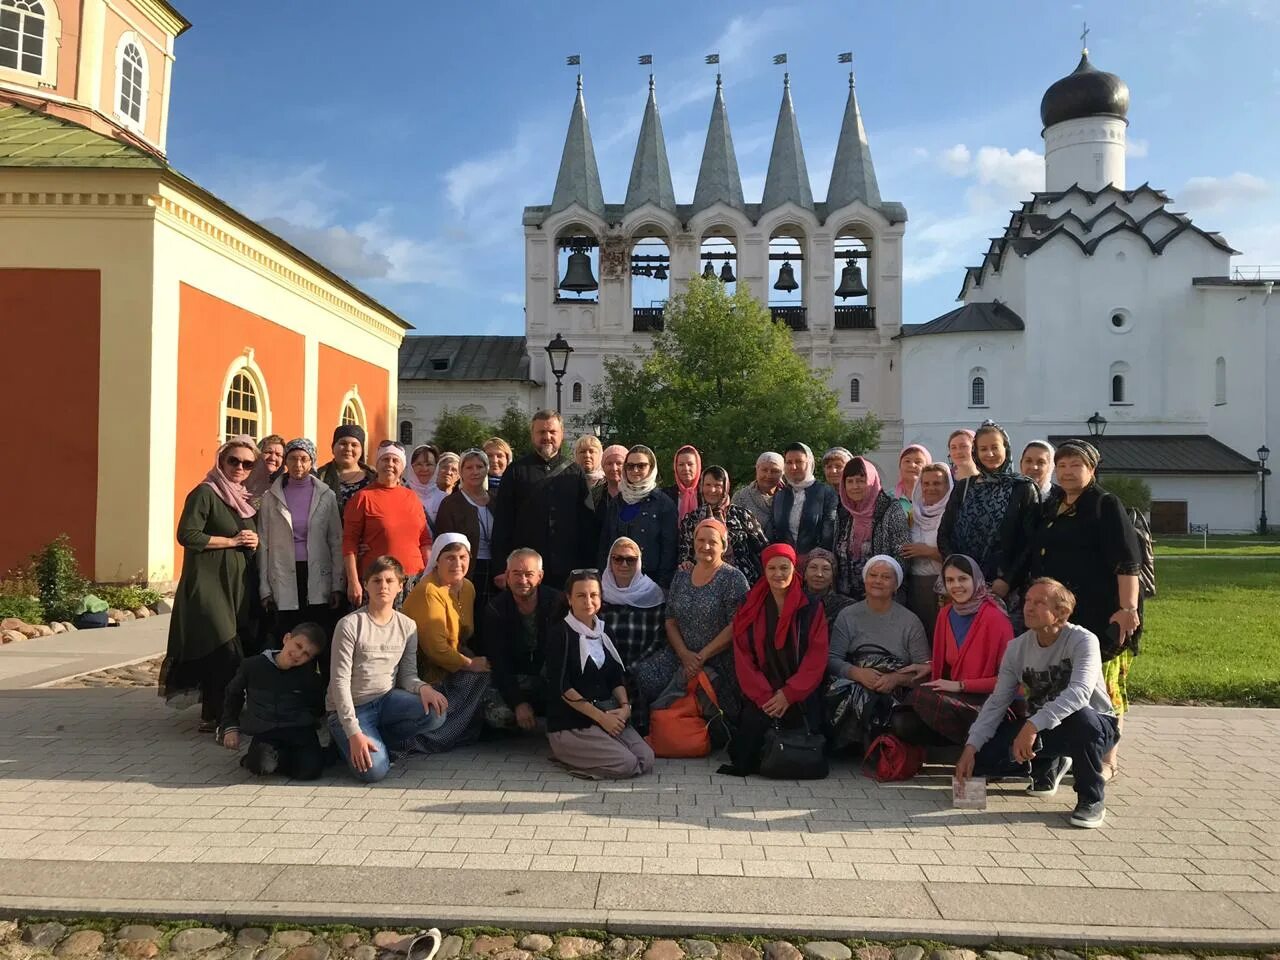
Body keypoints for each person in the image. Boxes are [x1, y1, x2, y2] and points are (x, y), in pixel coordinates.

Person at [1009, 439, 1142, 782]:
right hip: (1059, 614)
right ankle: (1066, 751)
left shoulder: (1105, 505)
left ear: (1092, 470)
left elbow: (1128, 562)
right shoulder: (1054, 505)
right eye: (1063, 465)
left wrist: (1127, 608)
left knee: (1105, 686)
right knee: (1060, 683)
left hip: (1103, 614)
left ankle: (1107, 759)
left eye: (1076, 465)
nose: (1067, 472)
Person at [956, 578, 1118, 829]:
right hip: (1041, 728)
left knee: (1081, 719)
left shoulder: (1084, 641)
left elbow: (1079, 694)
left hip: (1094, 727)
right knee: (984, 754)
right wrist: (971, 746)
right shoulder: (1016, 648)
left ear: (1061, 612)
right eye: (1027, 601)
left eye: (1039, 602)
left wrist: (1031, 727)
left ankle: (1091, 799)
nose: (1028, 608)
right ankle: (1048, 762)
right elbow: (997, 702)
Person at [160, 437, 260, 734]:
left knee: (230, 646)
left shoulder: (243, 498)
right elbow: (188, 534)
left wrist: (254, 541)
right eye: (234, 461)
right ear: (221, 461)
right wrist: (230, 541)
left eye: (247, 463)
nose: (240, 468)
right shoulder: (205, 493)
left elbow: (248, 536)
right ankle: (216, 715)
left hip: (235, 586)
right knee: (222, 645)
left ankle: (217, 712)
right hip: (208, 585)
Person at [326, 555, 449, 783]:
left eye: (390, 581)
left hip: (386, 701)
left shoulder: (407, 626)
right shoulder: (350, 625)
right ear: (366, 585)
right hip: (352, 708)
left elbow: (407, 675)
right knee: (374, 772)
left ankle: (376, 741)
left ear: (400, 586)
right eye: (377, 580)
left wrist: (423, 688)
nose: (383, 586)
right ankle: (348, 739)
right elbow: (339, 682)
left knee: (436, 712)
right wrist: (353, 732)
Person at [720, 543, 830, 777]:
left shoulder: (811, 607)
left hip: (799, 692)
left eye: (784, 568)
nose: (778, 574)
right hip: (763, 691)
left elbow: (816, 658)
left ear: (794, 569)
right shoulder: (750, 604)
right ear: (764, 570)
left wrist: (789, 694)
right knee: (749, 739)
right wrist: (766, 696)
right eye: (772, 568)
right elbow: (743, 653)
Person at [892, 554, 1014, 746]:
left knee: (919, 698)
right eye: (950, 580)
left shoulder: (996, 619)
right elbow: (951, 663)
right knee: (903, 718)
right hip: (957, 701)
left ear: (976, 580)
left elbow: (1009, 681)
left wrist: (961, 686)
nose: (956, 585)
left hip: (988, 703)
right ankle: (967, 747)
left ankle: (980, 748)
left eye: (963, 579)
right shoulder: (946, 614)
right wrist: (929, 666)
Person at [633, 518, 750, 719]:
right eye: (700, 540)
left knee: (712, 704)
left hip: (717, 659)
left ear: (723, 546)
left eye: (712, 542)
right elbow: (670, 619)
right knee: (642, 675)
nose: (705, 546)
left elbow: (736, 625)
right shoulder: (682, 575)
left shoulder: (734, 579)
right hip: (680, 654)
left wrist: (700, 657)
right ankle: (656, 728)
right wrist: (684, 654)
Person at [544, 569, 655, 778]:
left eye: (593, 595)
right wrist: (601, 718)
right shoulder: (560, 634)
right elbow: (562, 687)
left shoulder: (605, 631)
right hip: (572, 723)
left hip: (607, 714)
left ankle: (597, 753)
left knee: (646, 759)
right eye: (581, 595)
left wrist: (624, 708)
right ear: (569, 599)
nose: (588, 601)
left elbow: (615, 676)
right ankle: (567, 756)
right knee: (626, 765)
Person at [825, 556, 931, 750]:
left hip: (896, 693)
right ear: (865, 580)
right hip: (854, 686)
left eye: (885, 577)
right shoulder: (848, 615)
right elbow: (832, 660)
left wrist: (896, 679)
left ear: (896, 584)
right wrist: (858, 674)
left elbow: (925, 670)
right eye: (873, 575)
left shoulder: (910, 621)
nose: (878, 581)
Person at [400, 534, 490, 753]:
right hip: (426, 669)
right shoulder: (428, 591)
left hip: (452, 660)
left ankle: (457, 732)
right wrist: (470, 663)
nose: (457, 564)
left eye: (462, 557)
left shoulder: (467, 587)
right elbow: (435, 648)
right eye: (450, 557)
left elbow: (463, 634)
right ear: (437, 561)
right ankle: (431, 738)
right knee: (476, 676)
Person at [257, 438, 344, 663]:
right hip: (284, 573)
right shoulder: (271, 497)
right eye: (293, 458)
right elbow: (264, 543)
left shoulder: (326, 496)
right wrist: (264, 587)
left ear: (312, 461)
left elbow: (336, 541)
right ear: (285, 461)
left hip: (316, 574)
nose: (298, 464)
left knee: (317, 634)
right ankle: (286, 686)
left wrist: (337, 584)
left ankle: (316, 688)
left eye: (304, 459)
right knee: (287, 632)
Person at [490, 410, 596, 589]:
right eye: (541, 432)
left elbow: (586, 523)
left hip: (567, 568)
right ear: (533, 435)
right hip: (526, 572)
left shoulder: (575, 472)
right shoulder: (515, 471)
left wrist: (589, 568)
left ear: (561, 434)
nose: (547, 437)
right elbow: (503, 522)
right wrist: (501, 567)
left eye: (552, 432)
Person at [938, 421, 1038, 589]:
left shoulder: (1023, 488)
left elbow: (1030, 542)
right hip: (963, 583)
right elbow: (944, 534)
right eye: (983, 449)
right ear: (975, 453)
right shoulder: (965, 486)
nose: (989, 454)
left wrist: (1008, 579)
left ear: (1006, 448)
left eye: (995, 447)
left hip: (1003, 586)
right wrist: (958, 571)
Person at [220, 623, 327, 780]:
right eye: (298, 646)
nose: (298, 654)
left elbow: (317, 706)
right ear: (286, 638)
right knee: (261, 765)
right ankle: (259, 758)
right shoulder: (253, 666)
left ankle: (293, 757)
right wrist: (230, 726)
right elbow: (233, 694)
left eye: (306, 654)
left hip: (299, 731)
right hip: (266, 732)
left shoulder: (309, 676)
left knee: (310, 772)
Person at [342, 441, 432, 607]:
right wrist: (353, 581)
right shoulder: (363, 497)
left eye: (395, 460)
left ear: (402, 467)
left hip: (413, 579)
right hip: (378, 581)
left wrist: (430, 573)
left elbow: (424, 540)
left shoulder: (412, 497)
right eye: (385, 459)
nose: (390, 464)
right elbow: (349, 542)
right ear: (377, 464)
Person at [484, 548, 563, 732]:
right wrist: (518, 702)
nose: (522, 580)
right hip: (517, 677)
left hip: (549, 678)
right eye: (516, 574)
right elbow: (499, 661)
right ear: (507, 576)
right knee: (499, 717)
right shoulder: (495, 610)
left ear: (540, 576)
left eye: (529, 574)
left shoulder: (558, 603)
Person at [596, 445, 677, 589]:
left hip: (650, 583)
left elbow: (669, 550)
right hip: (616, 583)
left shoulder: (663, 504)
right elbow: (605, 543)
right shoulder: (617, 502)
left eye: (641, 466)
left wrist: (662, 586)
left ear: (651, 468)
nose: (635, 470)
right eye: (630, 466)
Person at [833, 457, 910, 601]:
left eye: (861, 481)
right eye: (850, 481)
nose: (855, 486)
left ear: (872, 480)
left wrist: (882, 588)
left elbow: (902, 555)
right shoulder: (843, 511)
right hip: (844, 596)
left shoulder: (890, 509)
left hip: (882, 596)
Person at [677, 465, 769, 583]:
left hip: (744, 583)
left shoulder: (741, 516)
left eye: (718, 485)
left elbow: (763, 549)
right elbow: (685, 556)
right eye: (708, 485)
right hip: (704, 585)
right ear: (701, 487)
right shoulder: (691, 520)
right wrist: (686, 563)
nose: (712, 490)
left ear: (725, 487)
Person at [434, 448, 495, 618]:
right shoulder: (451, 503)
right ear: (461, 471)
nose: (475, 471)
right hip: (466, 569)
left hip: (495, 569)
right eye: (469, 467)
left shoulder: (496, 501)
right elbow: (444, 541)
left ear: (486, 469)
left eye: (479, 466)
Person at [901, 463, 954, 639]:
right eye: (926, 483)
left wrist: (929, 552)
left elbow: (959, 557)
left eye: (937, 483)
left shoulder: (953, 515)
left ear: (948, 486)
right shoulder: (913, 515)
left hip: (945, 589)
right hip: (915, 587)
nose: (931, 488)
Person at [600, 537, 667, 670]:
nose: (624, 564)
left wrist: (633, 669)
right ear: (610, 562)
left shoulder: (653, 593)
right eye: (618, 559)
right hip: (604, 673)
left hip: (644, 673)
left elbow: (659, 641)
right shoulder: (599, 594)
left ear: (639, 563)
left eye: (631, 560)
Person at [771, 443, 838, 556]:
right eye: (789, 462)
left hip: (816, 563)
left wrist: (811, 558)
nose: (793, 467)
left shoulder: (826, 492)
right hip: (785, 563)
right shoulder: (780, 496)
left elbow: (829, 535)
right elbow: (775, 533)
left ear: (810, 463)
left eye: (799, 462)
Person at [318, 425, 376, 517]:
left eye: (354, 445)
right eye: (343, 444)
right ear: (333, 447)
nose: (348, 449)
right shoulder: (319, 477)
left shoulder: (374, 479)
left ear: (361, 450)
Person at [732, 452, 784, 539]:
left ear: (782, 473)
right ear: (757, 469)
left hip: (782, 551)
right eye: (764, 470)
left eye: (774, 471)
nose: (768, 475)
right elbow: (734, 531)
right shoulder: (741, 497)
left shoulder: (790, 498)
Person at [801, 548, 853, 630]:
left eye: (826, 569)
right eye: (813, 568)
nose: (819, 574)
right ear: (804, 574)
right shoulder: (794, 603)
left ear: (833, 576)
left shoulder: (845, 607)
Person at [661, 444, 703, 524]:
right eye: (681, 465)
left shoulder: (706, 494)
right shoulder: (665, 495)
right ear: (675, 467)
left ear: (698, 466)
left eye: (690, 464)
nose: (686, 468)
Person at [893, 445, 931, 522]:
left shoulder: (935, 498)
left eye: (918, 462)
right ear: (900, 466)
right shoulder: (889, 498)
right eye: (907, 461)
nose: (912, 465)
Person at [424, 452, 460, 530]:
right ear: (436, 470)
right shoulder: (424, 497)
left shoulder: (460, 501)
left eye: (454, 470)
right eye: (444, 467)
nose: (448, 472)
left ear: (458, 476)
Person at [246, 434, 287, 501]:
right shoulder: (244, 478)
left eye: (278, 455)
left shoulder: (285, 485)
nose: (273, 458)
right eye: (268, 452)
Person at [404, 444, 441, 513]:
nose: (424, 469)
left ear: (436, 467)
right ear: (411, 467)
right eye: (419, 464)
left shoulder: (444, 498)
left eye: (429, 464)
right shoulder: (401, 496)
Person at [592, 444, 628, 511]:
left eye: (619, 463)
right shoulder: (594, 495)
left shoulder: (637, 494)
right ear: (603, 466)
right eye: (609, 463)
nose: (614, 468)